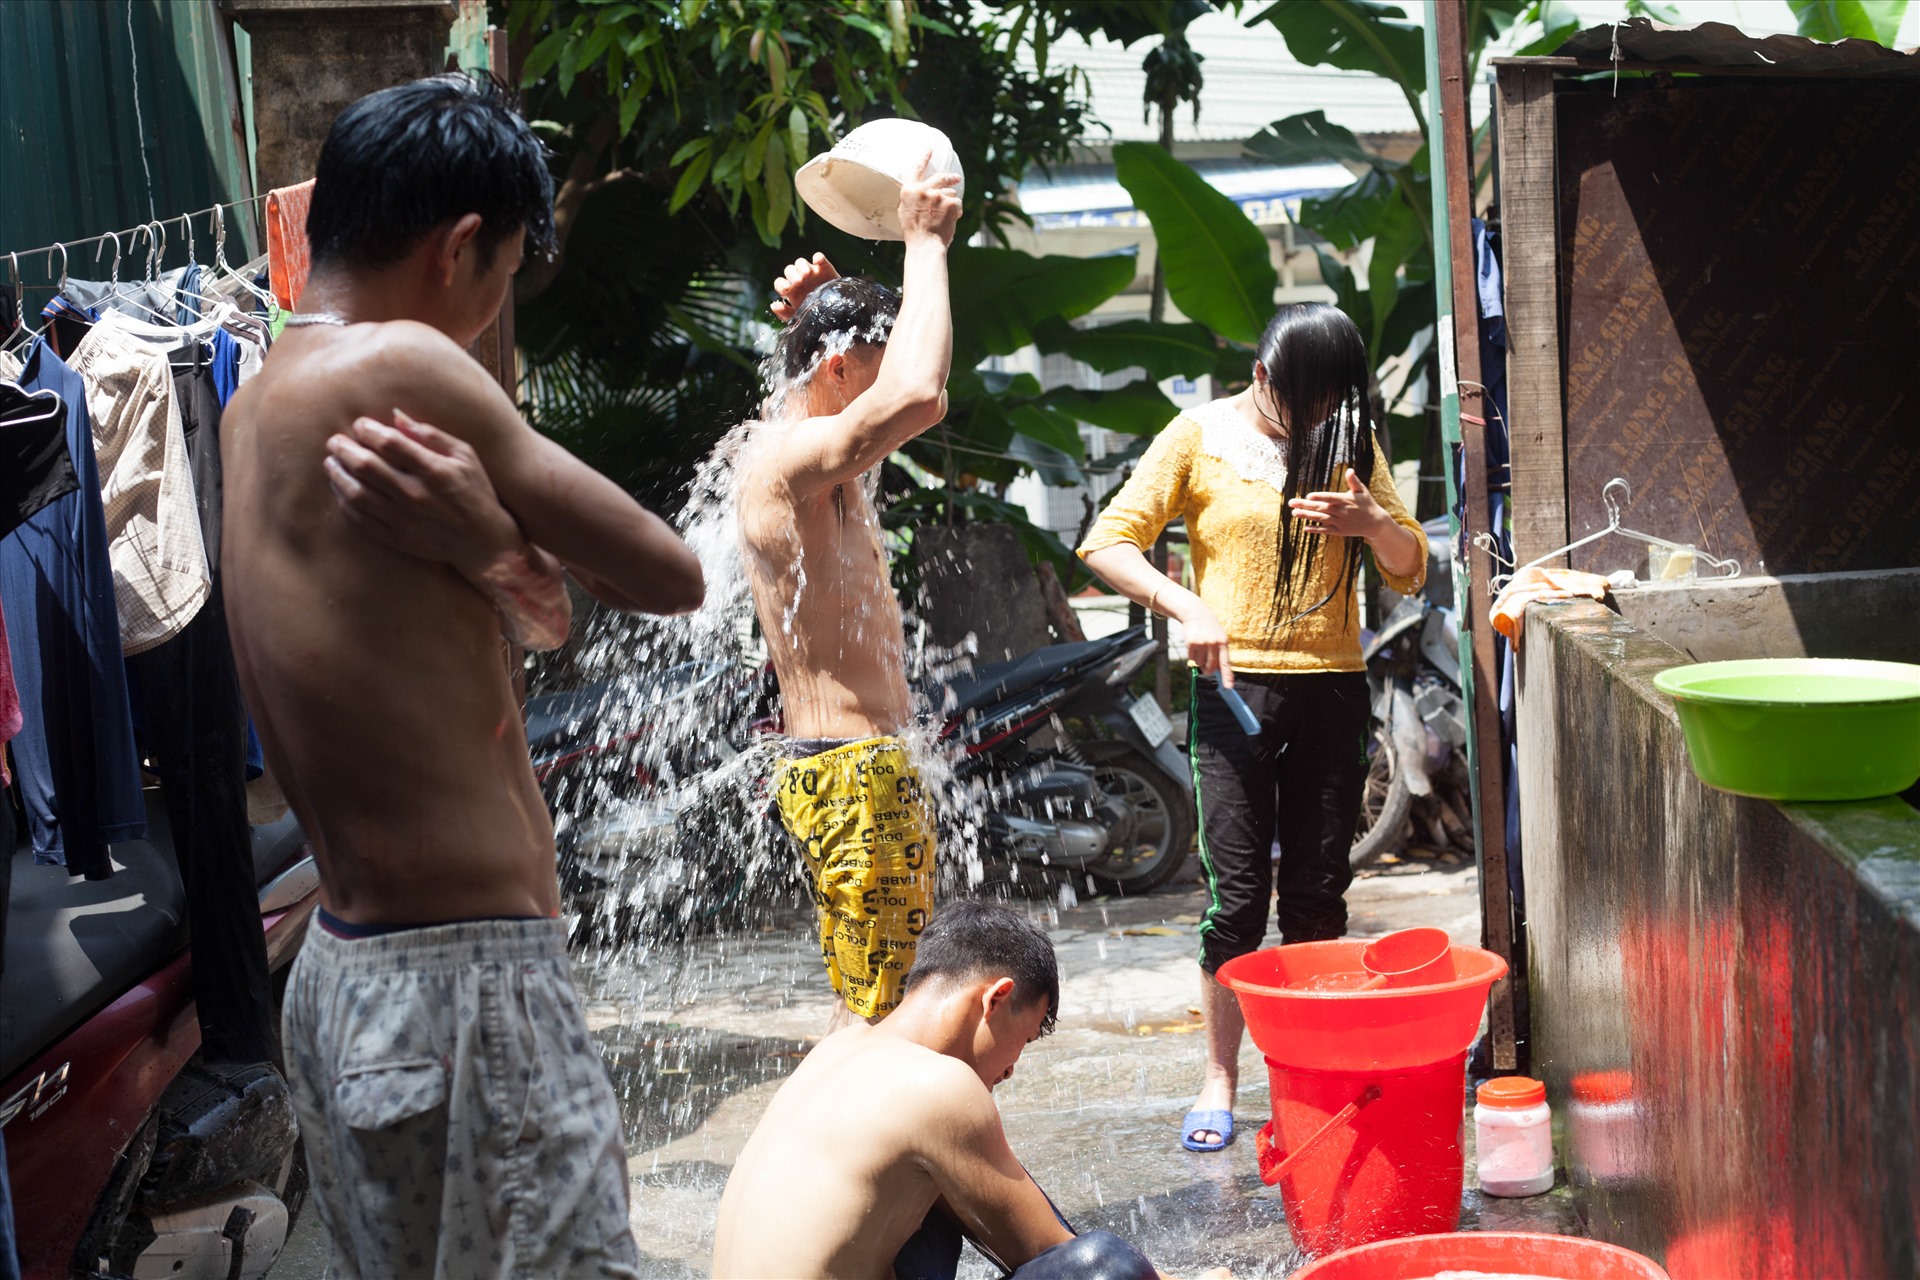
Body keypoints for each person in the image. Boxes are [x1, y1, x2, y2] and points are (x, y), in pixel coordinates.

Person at [221, 74, 704, 1277]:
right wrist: (507, 539)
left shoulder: (256, 396)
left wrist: (493, 548)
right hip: (463, 988)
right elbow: (669, 568)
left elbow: (472, 621)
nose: (494, 312)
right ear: (459, 248)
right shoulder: (407, 369)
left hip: (347, 975)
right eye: (504, 276)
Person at [1077, 303, 1426, 1153]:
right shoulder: (1196, 435)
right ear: (1264, 377)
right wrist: (1183, 601)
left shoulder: (1349, 445)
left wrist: (1372, 526)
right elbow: (1107, 541)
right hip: (1233, 698)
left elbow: (1411, 567)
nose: (1318, 416)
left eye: (1332, 399)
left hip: (1334, 694)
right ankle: (1220, 1079)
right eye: (1305, 399)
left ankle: (1309, 1080)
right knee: (1235, 906)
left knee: (1318, 900)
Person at [711, 900, 1229, 1280]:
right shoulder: (939, 1087)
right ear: (997, 999)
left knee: (938, 1195)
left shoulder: (839, 1047)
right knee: (1108, 1268)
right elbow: (1055, 1254)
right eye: (1023, 1040)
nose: (1010, 1070)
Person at [737, 156, 961, 1026]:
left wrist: (825, 314)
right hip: (854, 774)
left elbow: (889, 381)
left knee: (873, 1003)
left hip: (858, 767)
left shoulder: (813, 447)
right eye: (871, 358)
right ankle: (826, 1156)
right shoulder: (794, 460)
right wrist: (924, 241)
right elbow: (920, 392)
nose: (890, 373)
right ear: (835, 374)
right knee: (882, 1017)